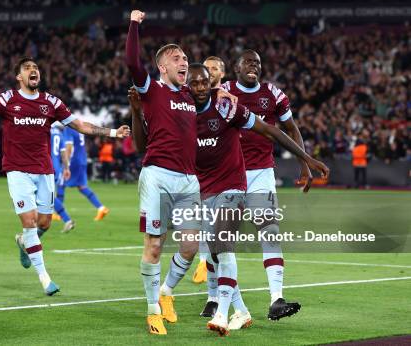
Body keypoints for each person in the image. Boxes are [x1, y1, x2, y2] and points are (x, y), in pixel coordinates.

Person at [129, 63, 328, 335]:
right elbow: (146, 143)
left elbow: (270, 130)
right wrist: (138, 111)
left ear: (211, 83)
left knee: (224, 243)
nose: (199, 87)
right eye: (194, 83)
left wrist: (305, 158)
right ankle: (241, 311)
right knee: (212, 251)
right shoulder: (181, 113)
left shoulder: (225, 107)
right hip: (201, 189)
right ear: (187, 87)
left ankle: (222, 314)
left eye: (205, 82)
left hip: (233, 185)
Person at [0, 58, 130, 296]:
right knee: (30, 222)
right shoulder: (7, 99)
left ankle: (23, 243)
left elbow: (80, 125)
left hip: (44, 171)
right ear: (19, 77)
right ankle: (45, 279)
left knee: (45, 223)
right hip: (17, 170)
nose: (34, 70)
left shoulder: (51, 102)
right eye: (27, 68)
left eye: (36, 68)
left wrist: (113, 132)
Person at [125, 9, 202, 335]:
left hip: (188, 179)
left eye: (185, 57)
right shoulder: (151, 89)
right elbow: (131, 62)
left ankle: (166, 292)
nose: (183, 61)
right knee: (155, 245)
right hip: (158, 175)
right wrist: (133, 24)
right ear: (163, 66)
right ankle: (152, 309)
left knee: (190, 246)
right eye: (176, 57)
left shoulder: (190, 95)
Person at [221, 49, 312, 320]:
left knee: (269, 231)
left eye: (258, 63)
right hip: (229, 174)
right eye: (249, 62)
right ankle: (220, 300)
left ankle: (276, 299)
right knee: (223, 240)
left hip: (262, 173)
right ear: (236, 67)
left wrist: (303, 163)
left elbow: (291, 128)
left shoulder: (272, 93)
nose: (254, 66)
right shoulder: (224, 91)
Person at [192, 56, 228, 284]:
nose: (210, 71)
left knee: (221, 233)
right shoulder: (194, 99)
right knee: (205, 225)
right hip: (201, 173)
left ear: (222, 73)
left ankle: (220, 290)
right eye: (207, 68)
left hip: (227, 174)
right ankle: (206, 266)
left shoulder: (227, 99)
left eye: (214, 68)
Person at [60, 126, 110, 221]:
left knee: (61, 183)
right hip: (82, 159)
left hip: (74, 161)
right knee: (82, 187)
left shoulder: (68, 129)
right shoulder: (77, 128)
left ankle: (59, 213)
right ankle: (101, 208)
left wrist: (66, 163)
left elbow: (69, 148)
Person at [51, 122, 75, 233]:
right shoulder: (59, 135)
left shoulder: (45, 131)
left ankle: (67, 219)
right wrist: (66, 168)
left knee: (45, 196)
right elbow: (63, 154)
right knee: (47, 195)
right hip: (56, 168)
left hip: (45, 167)